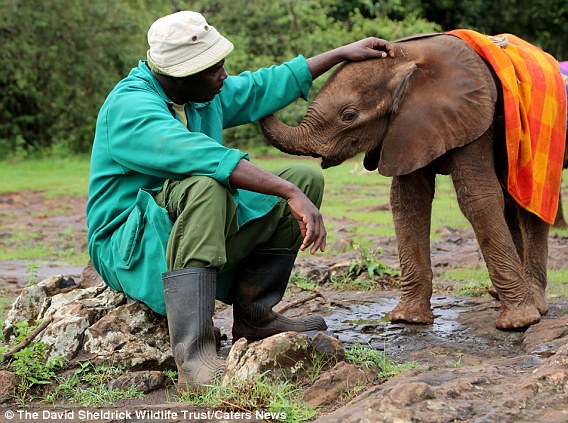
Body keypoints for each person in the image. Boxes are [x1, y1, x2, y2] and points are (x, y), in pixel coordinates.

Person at [86, 10, 394, 387]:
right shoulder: (131, 108)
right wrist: (287, 192)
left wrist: (339, 54)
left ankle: (255, 315)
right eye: (213, 69)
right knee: (207, 185)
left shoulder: (198, 95)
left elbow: (259, 87)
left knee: (304, 177)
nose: (223, 76)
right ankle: (194, 355)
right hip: (130, 248)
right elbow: (202, 156)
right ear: (179, 75)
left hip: (182, 233)